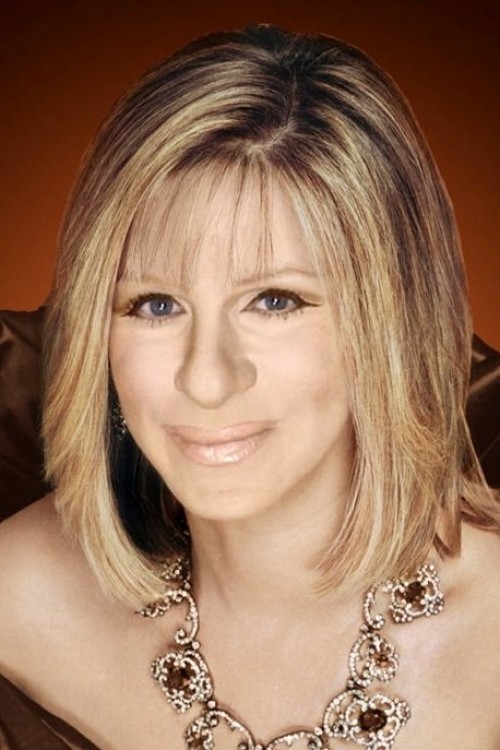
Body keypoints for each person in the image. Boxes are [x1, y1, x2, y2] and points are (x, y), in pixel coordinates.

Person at [0, 24, 499, 750]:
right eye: (156, 305)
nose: (206, 380)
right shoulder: (18, 596)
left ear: (392, 320)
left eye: (274, 300)